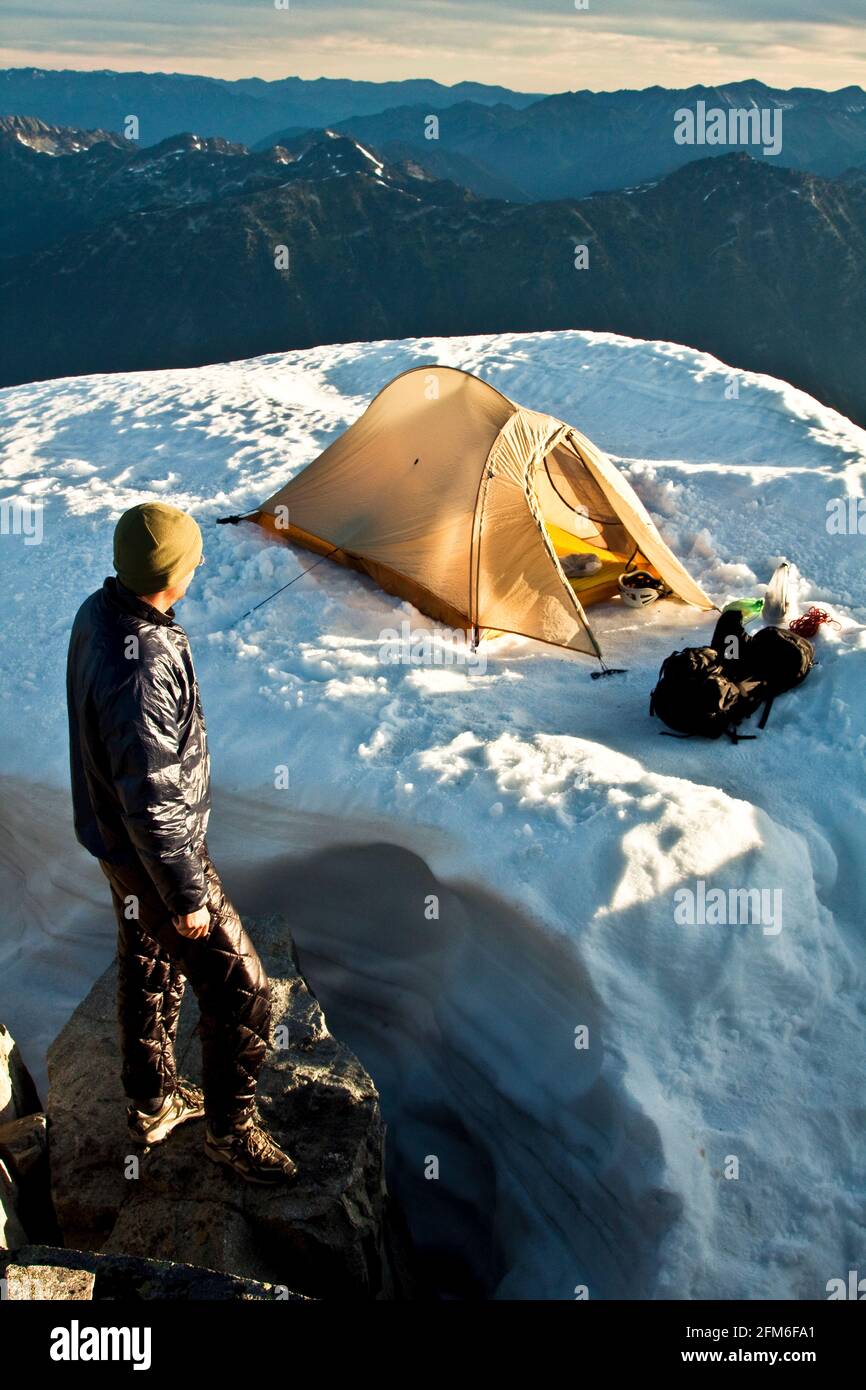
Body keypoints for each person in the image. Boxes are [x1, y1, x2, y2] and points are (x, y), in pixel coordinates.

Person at [66, 501, 296, 1184]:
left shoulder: (102, 611)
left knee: (148, 960)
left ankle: (152, 1102)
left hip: (117, 844)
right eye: (192, 558)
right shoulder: (142, 669)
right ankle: (231, 1133)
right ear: (169, 573)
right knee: (247, 995)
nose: (199, 566)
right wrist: (188, 894)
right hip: (153, 855)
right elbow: (153, 796)